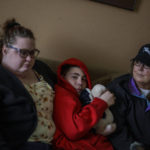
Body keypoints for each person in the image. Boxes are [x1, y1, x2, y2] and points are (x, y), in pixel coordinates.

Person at [0, 18, 57, 150]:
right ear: (5, 50)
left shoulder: (40, 68)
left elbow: (65, 85)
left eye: (32, 53)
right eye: (23, 52)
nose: (29, 59)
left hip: (52, 144)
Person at [53, 57, 115, 150]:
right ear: (63, 77)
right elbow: (73, 131)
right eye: (74, 77)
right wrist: (101, 103)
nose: (80, 82)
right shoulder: (63, 94)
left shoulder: (81, 96)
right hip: (66, 143)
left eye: (84, 79)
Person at [107, 44, 150, 150]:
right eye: (137, 63)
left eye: (147, 65)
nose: (140, 68)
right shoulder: (119, 89)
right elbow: (116, 130)